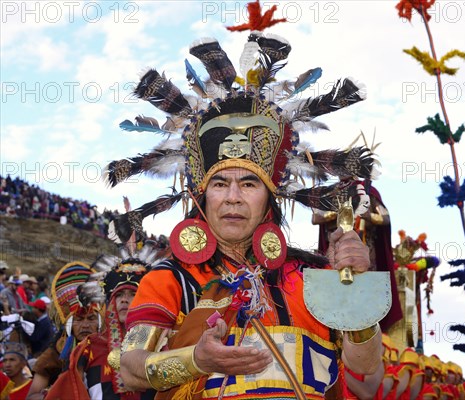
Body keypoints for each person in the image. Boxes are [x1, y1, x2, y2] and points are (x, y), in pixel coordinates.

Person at [105, 10, 383, 399]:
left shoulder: (309, 277)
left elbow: (366, 375)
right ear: (201, 195)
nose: (233, 196)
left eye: (249, 182)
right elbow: (132, 368)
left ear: (272, 194)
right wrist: (197, 361)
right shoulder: (170, 279)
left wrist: (353, 288)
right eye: (220, 183)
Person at [52, 242, 160, 399]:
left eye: (132, 294)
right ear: (111, 303)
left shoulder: (161, 344)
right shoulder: (89, 346)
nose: (124, 300)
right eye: (119, 295)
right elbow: (71, 390)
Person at [312, 181, 403, 334]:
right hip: (336, 251)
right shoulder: (330, 192)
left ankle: (368, 332)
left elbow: (385, 217)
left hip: (365, 252)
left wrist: (368, 216)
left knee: (364, 294)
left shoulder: (368, 191)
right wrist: (340, 212)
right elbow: (316, 218)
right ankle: (335, 332)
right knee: (336, 293)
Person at [26, 262, 101, 400]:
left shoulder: (109, 349)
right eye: (78, 319)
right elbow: (31, 395)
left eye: (91, 318)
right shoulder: (56, 352)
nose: (85, 325)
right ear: (69, 324)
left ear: (100, 322)